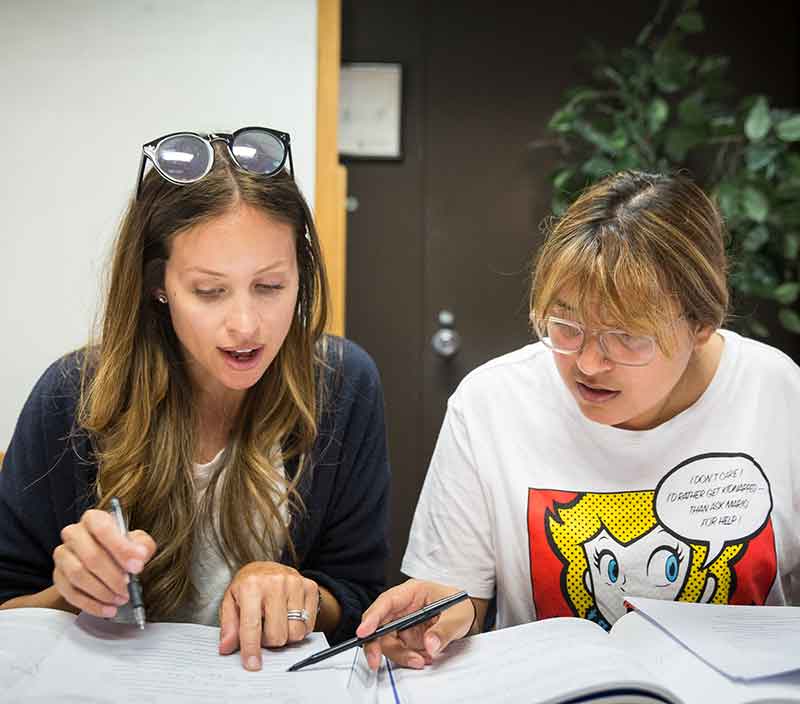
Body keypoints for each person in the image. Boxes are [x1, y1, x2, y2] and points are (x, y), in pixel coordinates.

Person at [356, 170, 800, 670]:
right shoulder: (490, 404)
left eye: (627, 336)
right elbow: (460, 595)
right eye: (566, 326)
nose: (588, 363)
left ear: (701, 324)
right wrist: (432, 612)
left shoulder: (778, 394)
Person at [0, 127, 390, 672]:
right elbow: (9, 607)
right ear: (158, 285)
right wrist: (72, 592)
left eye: (272, 286)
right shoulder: (71, 394)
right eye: (209, 291)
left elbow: (363, 596)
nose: (246, 325)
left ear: (301, 274)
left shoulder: (343, 383)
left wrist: (298, 594)